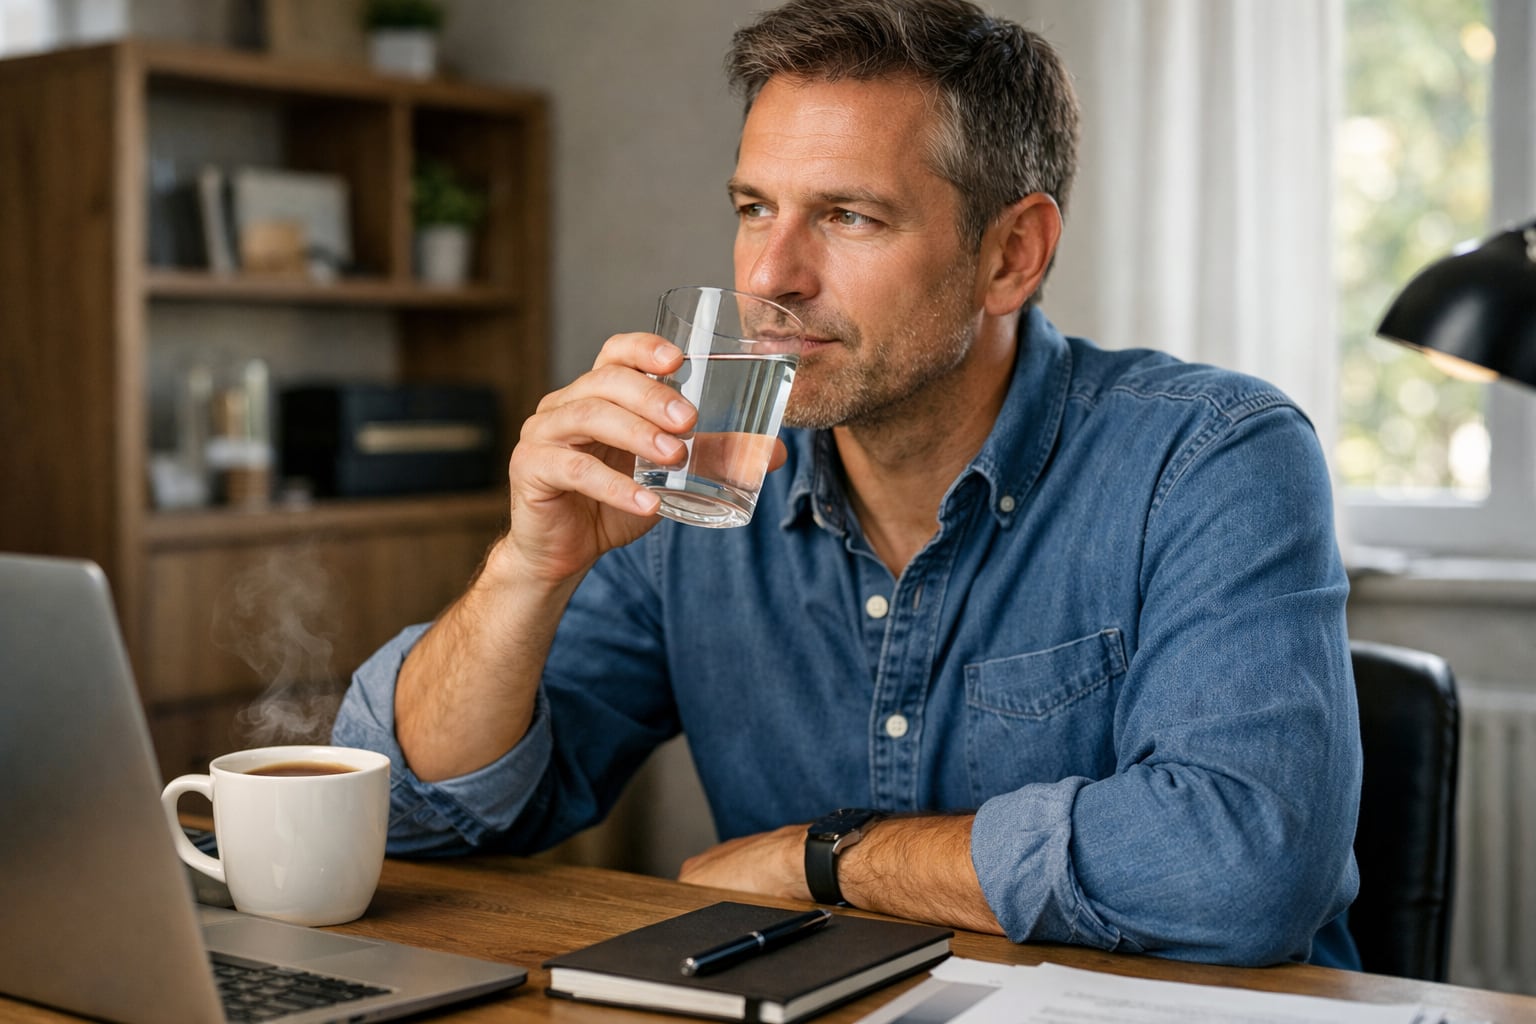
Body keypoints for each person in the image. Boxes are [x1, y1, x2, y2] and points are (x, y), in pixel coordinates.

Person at [334, 0, 1362, 969]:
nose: (771, 275)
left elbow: (1242, 866)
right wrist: (528, 567)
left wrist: (824, 859)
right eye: (753, 207)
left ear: (1013, 254)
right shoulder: (700, 479)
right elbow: (416, 818)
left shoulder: (1213, 456)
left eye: (849, 216)